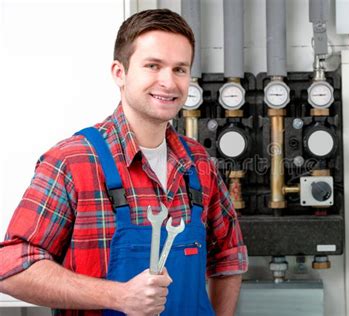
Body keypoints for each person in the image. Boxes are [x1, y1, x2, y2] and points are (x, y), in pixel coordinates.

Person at [0, 8, 248, 316]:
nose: (168, 82)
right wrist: (118, 296)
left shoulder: (199, 163)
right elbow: (10, 267)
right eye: (153, 66)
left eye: (180, 69)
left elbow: (229, 256)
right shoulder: (74, 162)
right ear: (120, 72)